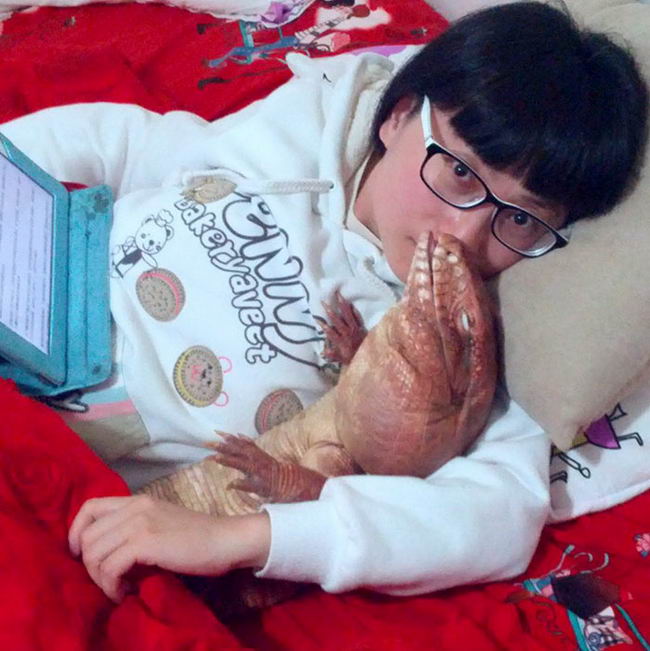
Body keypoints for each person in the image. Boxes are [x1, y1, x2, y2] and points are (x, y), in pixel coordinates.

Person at [1, 2, 646, 604]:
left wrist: (246, 539)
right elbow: (135, 144)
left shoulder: (458, 344)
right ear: (398, 117)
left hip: (54, 453)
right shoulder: (302, 131)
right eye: (458, 173)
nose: (465, 235)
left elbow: (498, 516)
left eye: (521, 218)